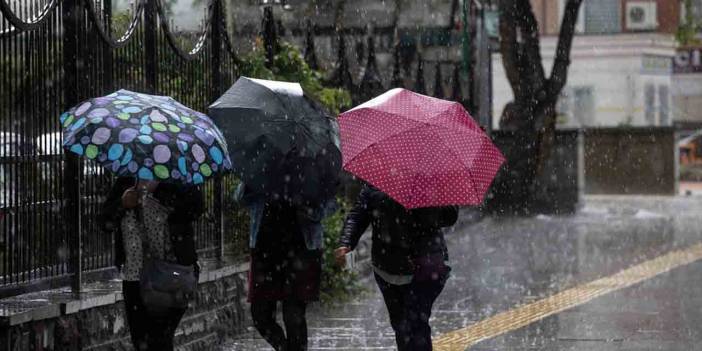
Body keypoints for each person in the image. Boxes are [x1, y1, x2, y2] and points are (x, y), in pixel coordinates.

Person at [335, 184, 458, 351]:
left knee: (416, 324)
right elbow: (358, 215)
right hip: (387, 267)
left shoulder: (432, 181)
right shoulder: (376, 182)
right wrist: (346, 243)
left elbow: (450, 216)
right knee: (400, 325)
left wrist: (425, 204)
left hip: (425, 265)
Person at [100, 177, 204, 351]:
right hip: (135, 277)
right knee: (141, 341)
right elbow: (104, 222)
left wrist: (159, 192)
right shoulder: (127, 181)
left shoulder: (177, 179)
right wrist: (122, 203)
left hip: (172, 274)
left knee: (160, 338)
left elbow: (196, 208)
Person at [236, 183, 331, 351]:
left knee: (293, 316)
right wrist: (250, 182)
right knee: (260, 315)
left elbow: (328, 206)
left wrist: (308, 208)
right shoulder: (263, 165)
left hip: (301, 251)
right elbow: (240, 198)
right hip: (265, 251)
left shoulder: (310, 166)